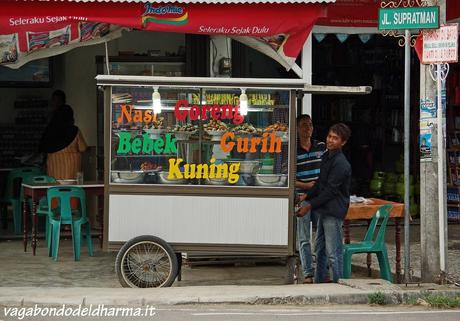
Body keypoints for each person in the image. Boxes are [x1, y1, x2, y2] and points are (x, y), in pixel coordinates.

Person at [296, 123, 352, 283]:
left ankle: (339, 285)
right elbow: (320, 183)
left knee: (333, 252)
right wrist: (304, 197)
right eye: (329, 136)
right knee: (320, 249)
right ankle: (320, 282)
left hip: (333, 212)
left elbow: (330, 191)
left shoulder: (341, 163)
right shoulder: (327, 157)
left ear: (343, 142)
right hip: (324, 210)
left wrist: (309, 206)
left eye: (335, 138)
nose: (330, 140)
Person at [295, 114, 326, 284]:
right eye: (304, 125)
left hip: (319, 198)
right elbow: (289, 178)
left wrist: (316, 187)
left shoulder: (320, 147)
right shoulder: (292, 149)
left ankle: (322, 271)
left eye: (310, 125)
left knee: (321, 235)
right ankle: (308, 273)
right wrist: (308, 187)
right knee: (304, 237)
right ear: (298, 128)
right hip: (302, 197)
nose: (308, 128)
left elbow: (327, 171)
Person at [39, 104, 87, 180]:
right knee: (72, 190)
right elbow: (83, 148)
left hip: (54, 169)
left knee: (55, 189)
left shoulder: (49, 130)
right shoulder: (74, 130)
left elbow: (43, 146)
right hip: (72, 171)